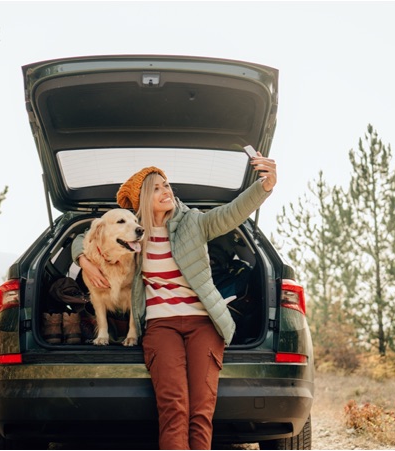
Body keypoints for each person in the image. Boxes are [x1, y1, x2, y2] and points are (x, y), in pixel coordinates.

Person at [72, 153, 277, 450]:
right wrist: (83, 260)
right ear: (143, 197)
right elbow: (85, 234)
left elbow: (231, 213)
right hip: (160, 325)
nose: (166, 191)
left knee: (201, 411)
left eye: (167, 185)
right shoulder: (133, 233)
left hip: (203, 323)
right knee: (174, 408)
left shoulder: (194, 223)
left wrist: (265, 187)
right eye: (156, 188)